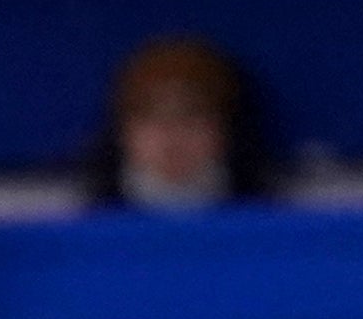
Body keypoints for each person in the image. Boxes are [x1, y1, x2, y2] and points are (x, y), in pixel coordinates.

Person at [85, 35, 265, 213]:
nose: (172, 136)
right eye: (153, 117)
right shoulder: (69, 212)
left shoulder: (278, 207)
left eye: (191, 117)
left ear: (225, 128)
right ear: (123, 130)